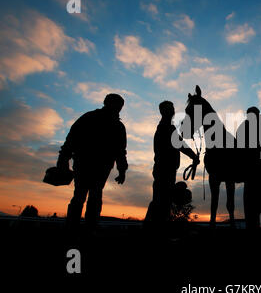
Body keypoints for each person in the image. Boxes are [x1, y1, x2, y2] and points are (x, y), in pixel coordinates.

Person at [57, 94, 128, 231]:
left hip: (97, 166)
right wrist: (63, 159)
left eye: (120, 106)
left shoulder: (115, 125)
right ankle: (78, 229)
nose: (118, 108)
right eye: (117, 105)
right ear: (107, 103)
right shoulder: (92, 119)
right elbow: (71, 139)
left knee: (90, 196)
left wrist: (122, 170)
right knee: (83, 196)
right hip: (86, 164)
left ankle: (84, 229)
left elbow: (120, 151)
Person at [144, 101, 199, 225]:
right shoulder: (167, 128)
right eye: (169, 108)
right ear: (163, 111)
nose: (172, 111)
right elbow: (180, 144)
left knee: (160, 200)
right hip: (165, 169)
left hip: (164, 169)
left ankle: (152, 228)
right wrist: (193, 156)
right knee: (162, 201)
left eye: (172, 108)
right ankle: (155, 229)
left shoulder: (166, 127)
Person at [236, 106, 261, 229]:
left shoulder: (257, 126)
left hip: (257, 175)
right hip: (259, 175)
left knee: (258, 211)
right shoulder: (257, 126)